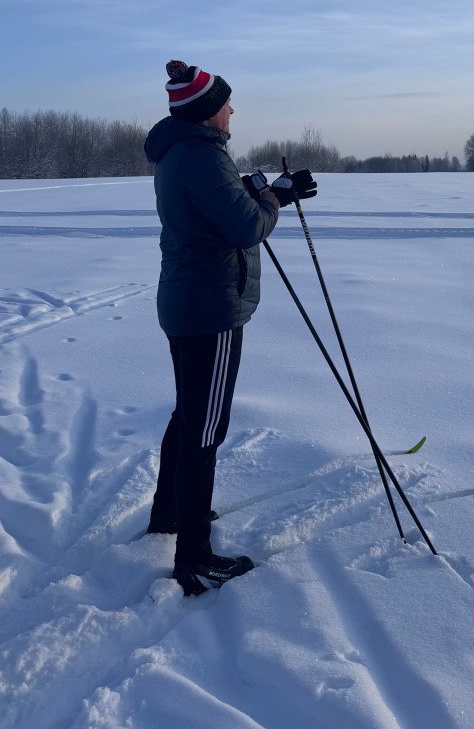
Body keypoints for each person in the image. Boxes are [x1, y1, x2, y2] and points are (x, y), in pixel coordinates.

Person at [143, 60, 317, 596]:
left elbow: (216, 205)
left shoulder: (182, 152)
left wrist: (252, 187)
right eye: (226, 103)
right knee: (205, 428)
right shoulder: (200, 157)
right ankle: (193, 558)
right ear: (207, 112)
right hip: (211, 309)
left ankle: (170, 513)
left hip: (188, 302)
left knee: (189, 414)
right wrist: (276, 197)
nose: (232, 111)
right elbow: (247, 225)